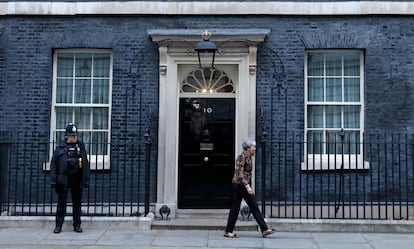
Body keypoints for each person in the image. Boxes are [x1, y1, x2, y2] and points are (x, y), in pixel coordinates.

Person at [224, 139, 275, 238]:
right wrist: (247, 187)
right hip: (239, 185)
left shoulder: (249, 157)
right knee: (235, 207)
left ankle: (264, 229)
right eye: (253, 147)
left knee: (254, 206)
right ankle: (228, 231)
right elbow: (239, 174)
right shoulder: (241, 157)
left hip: (245, 185)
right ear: (248, 148)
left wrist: (248, 185)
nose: (255, 149)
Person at [50, 123, 90, 233]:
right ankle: (58, 225)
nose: (74, 137)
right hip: (63, 179)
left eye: (75, 135)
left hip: (76, 180)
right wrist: (53, 180)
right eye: (72, 135)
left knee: (77, 204)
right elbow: (54, 164)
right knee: (61, 204)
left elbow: (85, 163)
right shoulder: (60, 148)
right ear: (67, 136)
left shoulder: (80, 147)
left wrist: (85, 179)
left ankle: (77, 225)